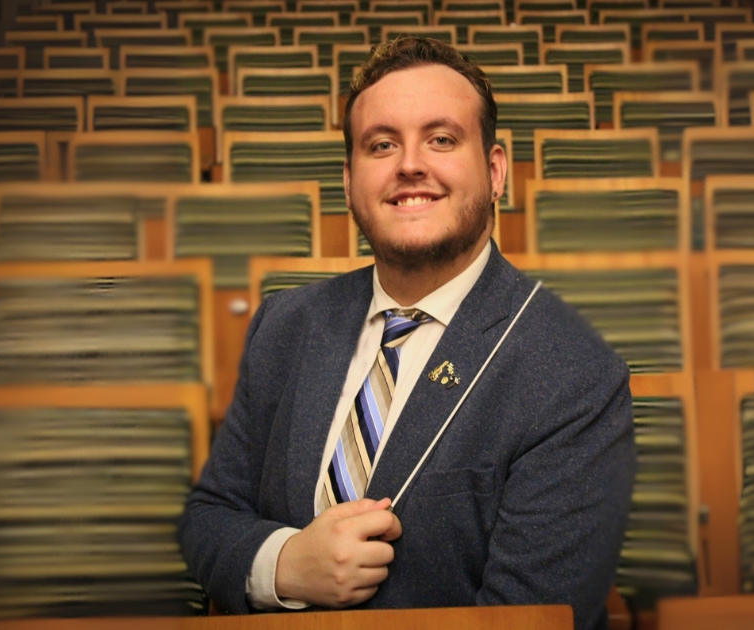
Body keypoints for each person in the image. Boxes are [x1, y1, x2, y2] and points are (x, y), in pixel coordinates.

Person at [177, 37, 635, 630]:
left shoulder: (575, 373)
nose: (409, 164)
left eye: (441, 139)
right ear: (348, 183)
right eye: (381, 144)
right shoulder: (283, 326)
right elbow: (210, 517)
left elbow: (529, 617)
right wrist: (284, 563)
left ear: (495, 171)